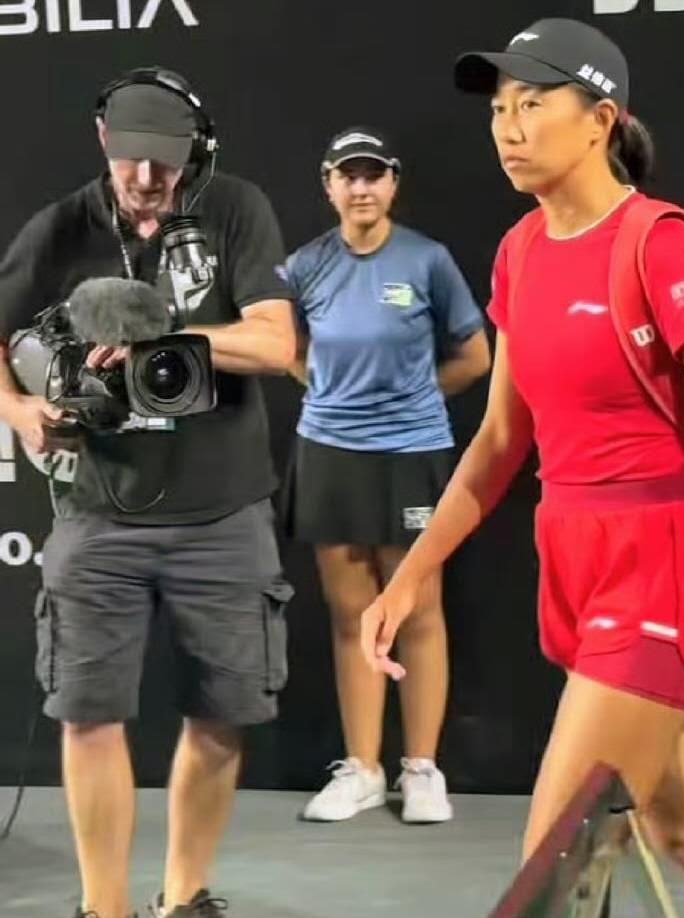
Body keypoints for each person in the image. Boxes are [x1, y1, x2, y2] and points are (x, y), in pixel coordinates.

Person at [359, 19, 684, 916]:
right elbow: (498, 442)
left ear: (600, 120)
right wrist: (408, 579)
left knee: (552, 869)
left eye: (533, 104)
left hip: (659, 565)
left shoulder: (656, 244)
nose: (509, 128)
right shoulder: (520, 251)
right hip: (573, 559)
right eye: (500, 110)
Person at [0, 67, 296, 918]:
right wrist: (19, 410)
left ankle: (184, 895)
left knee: (221, 714)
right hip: (99, 511)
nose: (145, 177)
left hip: (224, 511)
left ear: (195, 149)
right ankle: (106, 908)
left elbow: (276, 345)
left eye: (164, 159)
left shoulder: (236, 208)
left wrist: (166, 336)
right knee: (87, 715)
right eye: (129, 157)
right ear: (103, 140)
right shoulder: (61, 228)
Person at [280, 127, 490, 823]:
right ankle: (364, 769)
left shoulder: (427, 260)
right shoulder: (304, 266)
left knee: (418, 611)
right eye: (349, 176)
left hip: (412, 453)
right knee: (352, 614)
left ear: (393, 183)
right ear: (329, 185)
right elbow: (283, 345)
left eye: (374, 175)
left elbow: (475, 357)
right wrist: (331, 393)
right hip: (329, 453)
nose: (362, 188)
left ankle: (421, 769)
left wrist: (411, 400)